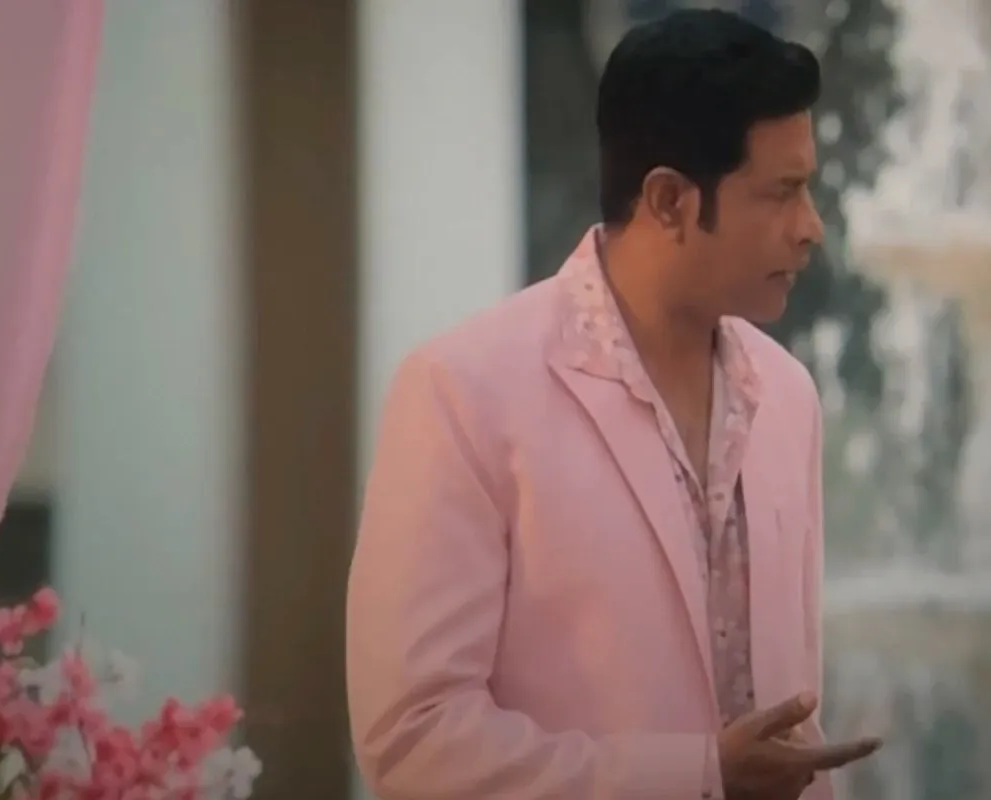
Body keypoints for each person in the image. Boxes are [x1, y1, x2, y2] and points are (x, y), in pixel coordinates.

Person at [345, 10, 879, 799]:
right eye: (781, 193)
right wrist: (696, 775)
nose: (811, 228)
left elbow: (791, 725)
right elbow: (414, 739)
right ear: (668, 200)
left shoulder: (787, 396)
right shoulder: (464, 391)